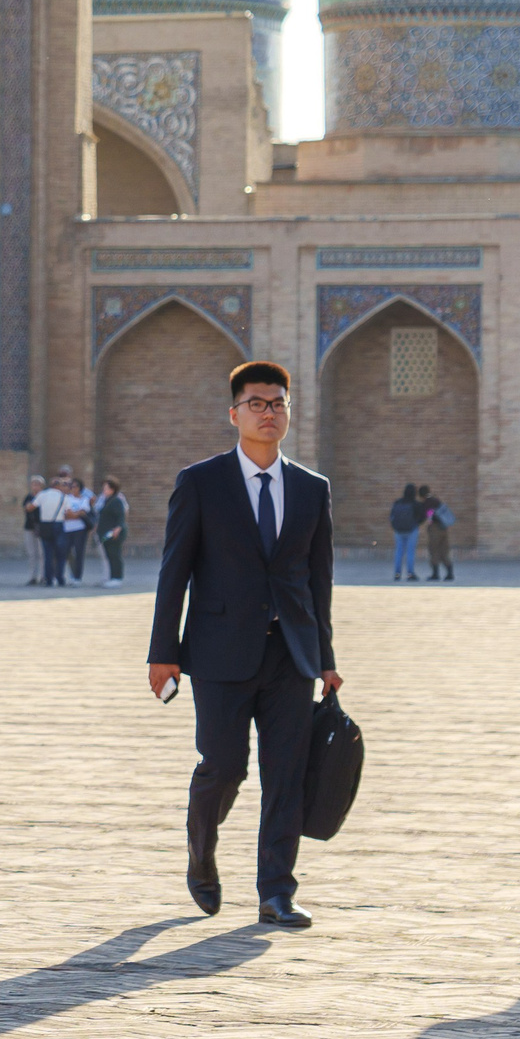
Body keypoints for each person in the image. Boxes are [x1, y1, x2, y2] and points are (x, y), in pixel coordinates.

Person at [147, 359, 341, 930]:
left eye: (278, 403)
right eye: (257, 403)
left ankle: (276, 891)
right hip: (218, 652)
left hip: (290, 656)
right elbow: (173, 572)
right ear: (234, 414)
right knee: (224, 767)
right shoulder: (201, 483)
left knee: (286, 773)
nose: (268, 413)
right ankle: (201, 849)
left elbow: (319, 581)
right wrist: (165, 652)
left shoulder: (311, 489)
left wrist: (325, 659)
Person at [59, 476, 95, 588]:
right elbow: (65, 514)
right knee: (66, 552)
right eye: (71, 486)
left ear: (80, 488)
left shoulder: (84, 499)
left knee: (79, 553)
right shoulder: (66, 498)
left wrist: (73, 514)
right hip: (67, 529)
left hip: (80, 530)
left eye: (75, 486)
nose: (73, 488)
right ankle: (65, 575)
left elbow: (83, 512)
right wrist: (76, 514)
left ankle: (77, 577)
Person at [29, 475, 64, 586]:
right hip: (59, 525)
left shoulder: (42, 495)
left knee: (47, 554)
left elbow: (30, 507)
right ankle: (59, 579)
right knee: (59, 554)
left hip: (45, 525)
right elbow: (68, 512)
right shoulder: (64, 496)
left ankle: (48, 579)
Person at [96, 477, 130, 587]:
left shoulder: (116, 500)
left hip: (114, 533)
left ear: (112, 489)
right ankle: (111, 577)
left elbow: (121, 516)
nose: (104, 491)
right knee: (109, 555)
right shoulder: (106, 500)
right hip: (105, 534)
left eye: (106, 488)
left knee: (115, 555)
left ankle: (117, 578)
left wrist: (117, 529)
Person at [419, 485, 456, 582]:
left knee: (434, 550)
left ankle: (435, 574)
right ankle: (450, 573)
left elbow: (427, 516)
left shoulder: (427, 503)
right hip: (444, 528)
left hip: (435, 529)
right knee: (444, 551)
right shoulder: (436, 500)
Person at [388, 482, 423, 581]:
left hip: (398, 531)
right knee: (410, 552)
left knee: (399, 551)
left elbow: (392, 516)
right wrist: (416, 523)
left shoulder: (398, 502)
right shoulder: (415, 504)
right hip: (411, 530)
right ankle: (410, 574)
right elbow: (421, 517)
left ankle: (397, 574)